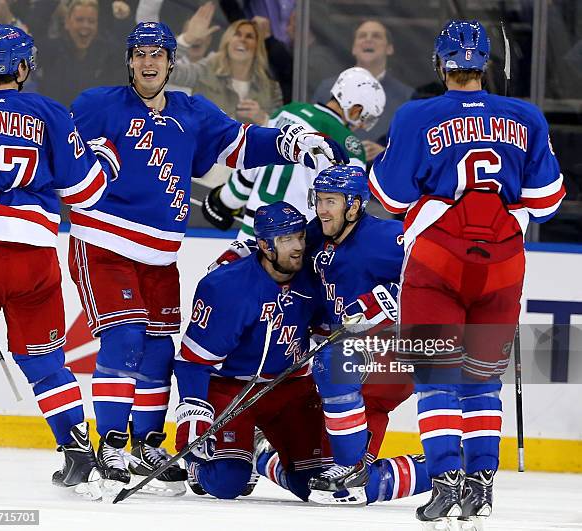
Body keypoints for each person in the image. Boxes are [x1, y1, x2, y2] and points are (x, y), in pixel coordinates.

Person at [68, 21, 347, 497]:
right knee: (126, 337)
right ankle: (111, 444)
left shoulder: (192, 113)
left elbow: (243, 145)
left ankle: (148, 443)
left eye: (158, 53)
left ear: (171, 60)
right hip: (105, 242)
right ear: (130, 60)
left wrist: (293, 145)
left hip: (161, 252)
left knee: (158, 348)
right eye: (140, 54)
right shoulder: (97, 105)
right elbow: (54, 150)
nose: (149, 62)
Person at [370, 20, 565, 529]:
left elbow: (390, 197)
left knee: (437, 376)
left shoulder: (417, 115)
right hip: (502, 263)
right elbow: (547, 200)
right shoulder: (526, 116)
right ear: (485, 65)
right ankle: (481, 482)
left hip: (438, 258)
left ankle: (444, 481)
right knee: (481, 379)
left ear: (441, 64)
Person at [0, 24, 120, 499]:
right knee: (47, 363)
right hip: (34, 256)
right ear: (20, 67)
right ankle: (78, 454)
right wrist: (106, 159)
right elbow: (86, 193)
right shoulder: (50, 113)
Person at [174, 201, 329, 501]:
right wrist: (192, 417)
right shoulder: (228, 288)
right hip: (232, 390)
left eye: (299, 236)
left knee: (313, 487)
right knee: (227, 484)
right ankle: (199, 465)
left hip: (291, 386)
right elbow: (192, 362)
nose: (297, 246)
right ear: (264, 245)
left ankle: (261, 454)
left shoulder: (314, 273)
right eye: (286, 240)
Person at [301, 165, 429, 505]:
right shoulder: (318, 235)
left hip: (398, 350)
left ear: (355, 205)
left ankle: (347, 464)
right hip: (358, 369)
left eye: (331, 201)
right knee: (331, 490)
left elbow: (436, 277)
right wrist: (244, 256)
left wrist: (384, 299)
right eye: (319, 200)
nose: (322, 210)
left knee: (333, 361)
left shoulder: (388, 238)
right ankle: (446, 468)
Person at [202, 66, 384, 236]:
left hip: (252, 234)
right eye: (364, 118)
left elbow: (251, 166)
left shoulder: (286, 112)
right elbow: (348, 207)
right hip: (296, 246)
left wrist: (225, 201)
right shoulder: (349, 144)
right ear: (355, 109)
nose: (361, 125)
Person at [313, 19, 413, 163]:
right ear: (353, 48)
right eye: (362, 36)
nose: (368, 40)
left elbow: (412, 147)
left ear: (389, 48)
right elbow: (314, 129)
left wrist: (386, 153)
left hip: (379, 178)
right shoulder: (327, 88)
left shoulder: (405, 96)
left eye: (376, 36)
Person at [174, 15, 282, 125]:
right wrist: (187, 39)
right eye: (237, 34)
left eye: (249, 36)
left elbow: (281, 134)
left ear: (257, 47)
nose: (242, 40)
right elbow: (169, 73)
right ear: (228, 42)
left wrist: (263, 119)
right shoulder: (206, 70)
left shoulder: (271, 89)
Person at [33, 0, 123, 106]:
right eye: (79, 20)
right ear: (67, 22)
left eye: (91, 21)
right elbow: (36, 27)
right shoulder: (51, 50)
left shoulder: (108, 55)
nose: (85, 26)